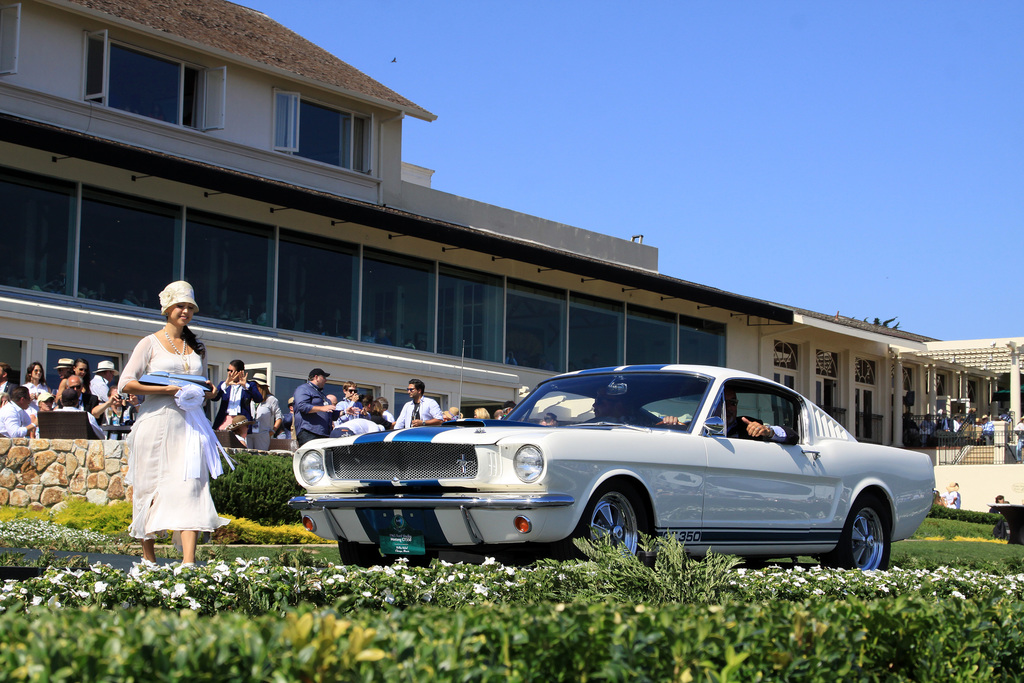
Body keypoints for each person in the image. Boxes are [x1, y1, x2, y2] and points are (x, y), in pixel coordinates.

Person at [118, 280, 228, 566]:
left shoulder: (197, 347)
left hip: (190, 426)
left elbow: (201, 387)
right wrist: (167, 389)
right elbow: (126, 384)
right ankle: (149, 559)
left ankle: (188, 563)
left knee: (191, 486)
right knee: (150, 488)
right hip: (156, 424)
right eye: (180, 306)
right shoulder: (149, 343)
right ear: (168, 309)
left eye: (190, 307)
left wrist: (211, 391)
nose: (185, 311)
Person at [721, 387, 799, 444]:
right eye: (723, 402)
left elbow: (793, 436)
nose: (728, 407)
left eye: (733, 402)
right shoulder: (708, 426)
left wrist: (769, 432)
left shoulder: (749, 426)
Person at [210, 360, 261, 441]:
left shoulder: (250, 385)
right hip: (226, 418)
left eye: (231, 371)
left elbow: (258, 399)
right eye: (228, 370)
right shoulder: (224, 384)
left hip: (240, 419)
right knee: (221, 440)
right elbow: (214, 398)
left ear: (240, 372)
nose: (229, 373)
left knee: (240, 442)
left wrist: (246, 386)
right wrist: (226, 384)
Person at [293, 368, 337, 446]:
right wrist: (322, 408)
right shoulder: (303, 389)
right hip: (309, 433)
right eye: (324, 377)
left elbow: (329, 413)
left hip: (324, 435)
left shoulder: (320, 393)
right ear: (316, 377)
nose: (326, 380)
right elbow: (302, 406)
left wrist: (344, 412)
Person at [248, 372, 283, 451]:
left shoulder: (271, 400)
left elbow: (279, 417)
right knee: (247, 455)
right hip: (249, 433)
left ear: (260, 386)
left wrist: (272, 431)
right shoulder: (250, 398)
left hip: (262, 434)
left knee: (261, 456)